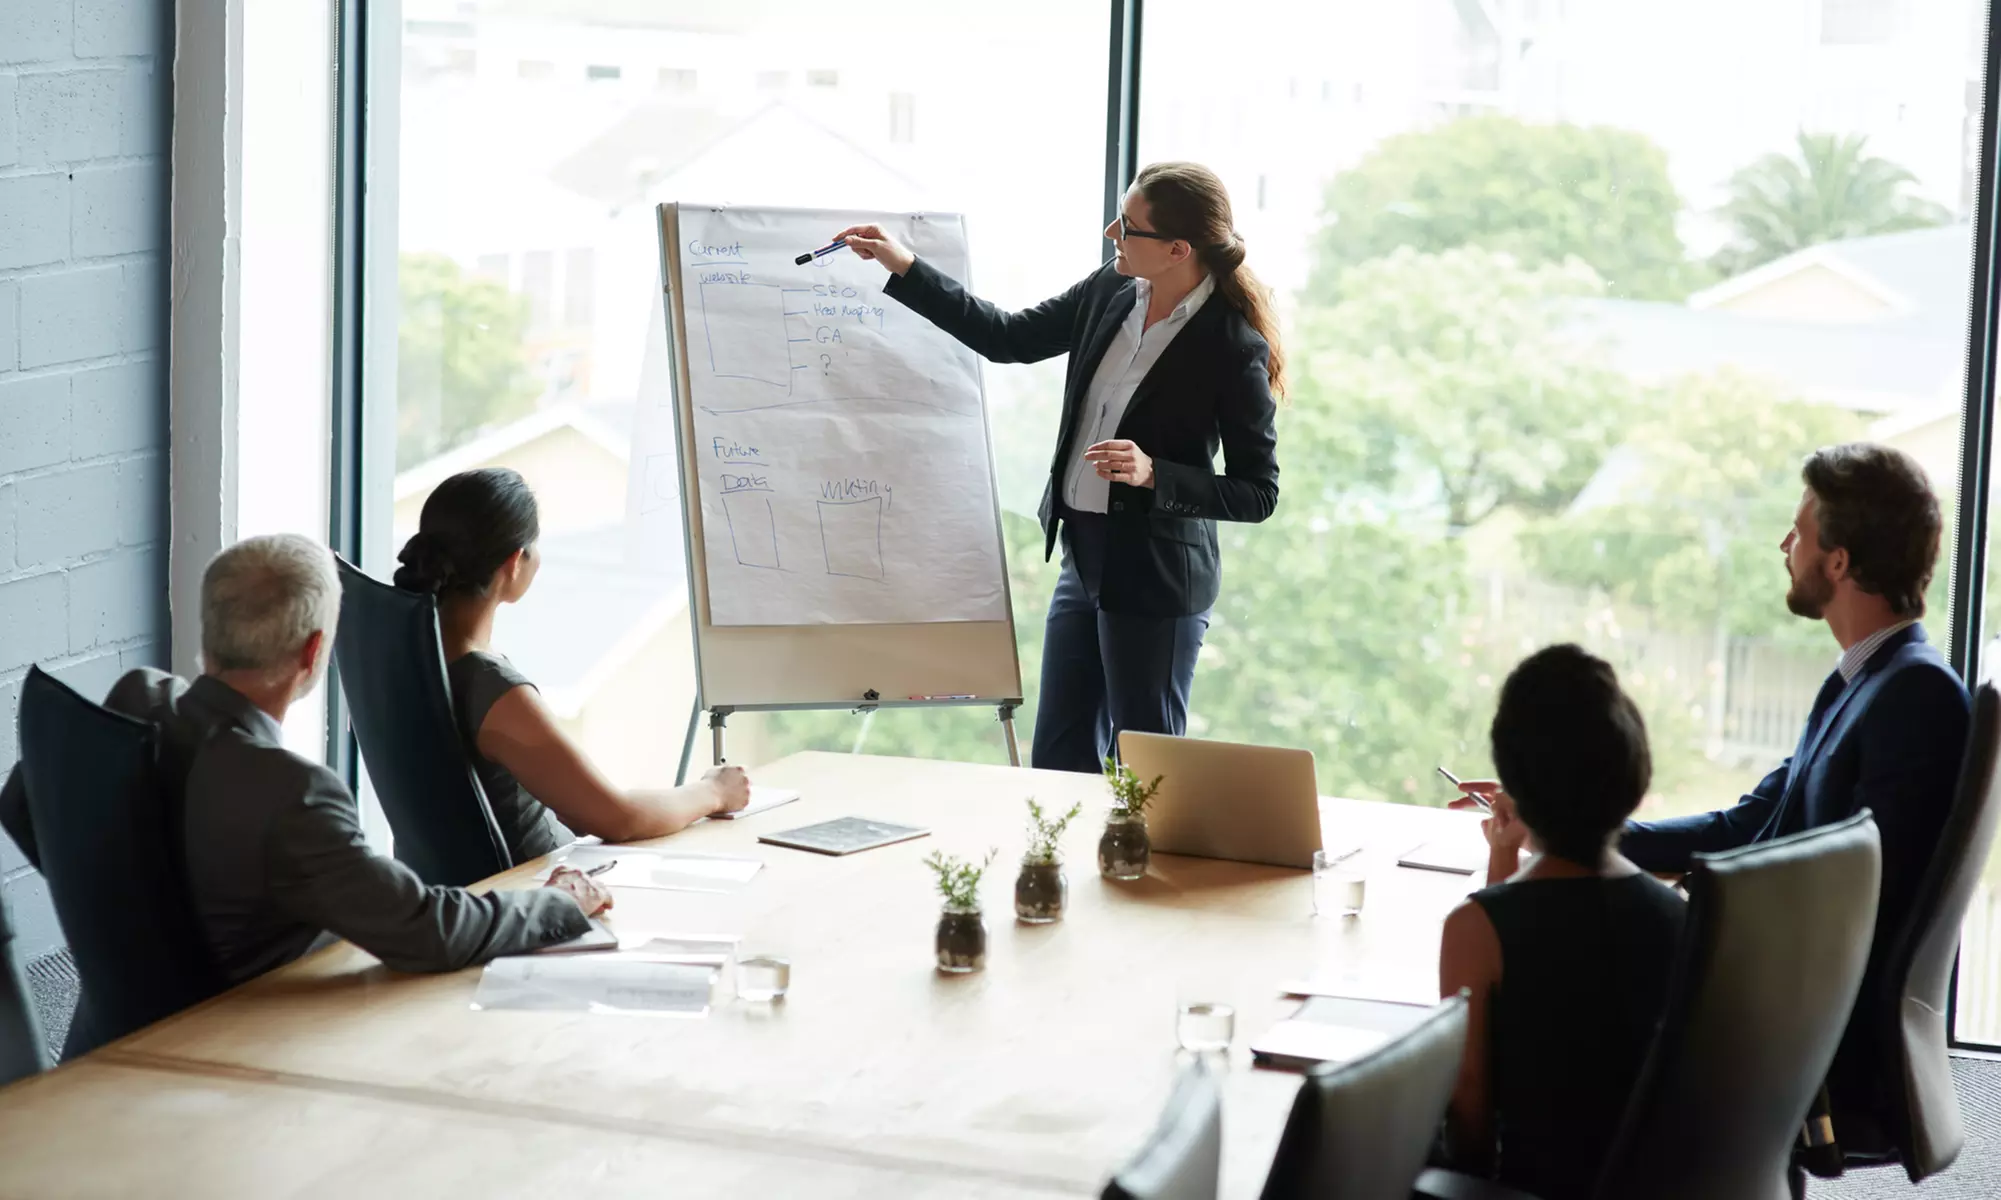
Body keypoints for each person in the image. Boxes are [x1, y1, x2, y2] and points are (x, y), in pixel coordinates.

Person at [1465, 442, 1970, 1135]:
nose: (1784, 543)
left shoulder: (1913, 696)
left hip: (1811, 1040)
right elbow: (1748, 824)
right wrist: (1567, 825)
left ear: (1838, 562)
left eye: (1800, 531)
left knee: (1531, 1005)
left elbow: (1858, 904)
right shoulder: (1864, 680)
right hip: (1777, 999)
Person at [0, 534, 610, 992]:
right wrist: (560, 902)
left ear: (207, 629)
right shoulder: (290, 793)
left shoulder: (138, 699)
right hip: (244, 1039)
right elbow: (428, 931)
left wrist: (126, 920)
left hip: (115, 1022)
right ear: (314, 650)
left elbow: (25, 802)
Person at [833, 161, 1283, 773]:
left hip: (1156, 578)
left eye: (1128, 225)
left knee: (1146, 771)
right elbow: (1007, 337)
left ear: (1178, 249)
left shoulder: (1229, 346)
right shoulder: (1111, 290)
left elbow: (1258, 492)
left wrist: (1155, 473)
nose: (1111, 232)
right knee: (1059, 760)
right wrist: (904, 266)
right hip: (1084, 557)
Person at [393, 467, 750, 861]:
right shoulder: (490, 688)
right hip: (539, 897)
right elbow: (618, 818)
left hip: (467, 899)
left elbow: (577, 808)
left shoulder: (405, 655)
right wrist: (714, 792)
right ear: (514, 562)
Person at [1437, 645, 1687, 1199]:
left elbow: (1469, 1128)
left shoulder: (1472, 929)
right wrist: (1504, 859)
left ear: (1514, 779)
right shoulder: (1681, 915)